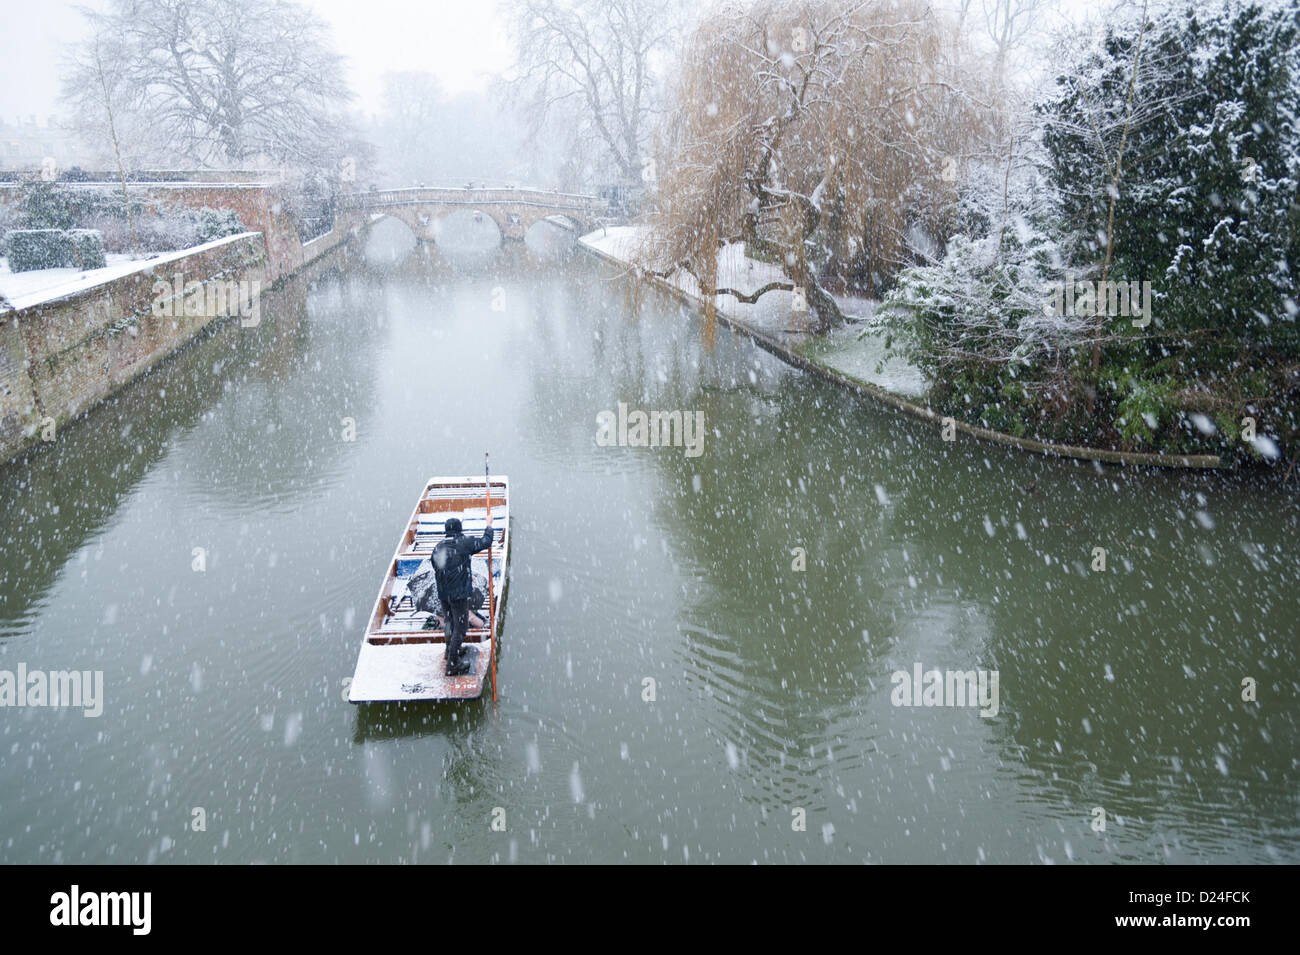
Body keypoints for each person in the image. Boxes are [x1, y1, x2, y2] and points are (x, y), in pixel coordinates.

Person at [432, 514, 494, 675]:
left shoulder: (438, 547)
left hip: (443, 594)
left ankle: (450, 651)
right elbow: (486, 542)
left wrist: (461, 572)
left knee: (449, 623)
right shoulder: (465, 543)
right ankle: (452, 665)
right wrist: (488, 525)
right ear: (460, 530)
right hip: (458, 595)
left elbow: (437, 567)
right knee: (461, 628)